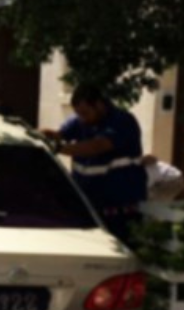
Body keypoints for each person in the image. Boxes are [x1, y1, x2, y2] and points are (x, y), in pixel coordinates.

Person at [42, 85, 148, 246]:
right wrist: (42, 135)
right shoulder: (80, 122)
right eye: (78, 114)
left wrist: (58, 148)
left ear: (98, 104)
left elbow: (97, 146)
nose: (82, 118)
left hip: (120, 211)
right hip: (90, 207)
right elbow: (60, 135)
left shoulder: (122, 122)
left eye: (85, 113)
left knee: (121, 256)